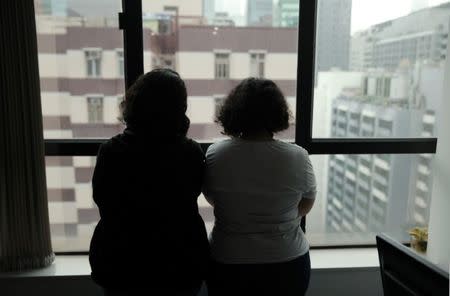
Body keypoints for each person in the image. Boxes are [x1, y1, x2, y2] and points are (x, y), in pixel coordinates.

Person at [89, 69, 210, 296]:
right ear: (179, 108)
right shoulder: (190, 152)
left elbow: (103, 200)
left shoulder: (111, 151)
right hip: (180, 260)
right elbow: (193, 191)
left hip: (122, 262)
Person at [203, 78, 317, 296]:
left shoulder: (216, 154)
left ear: (233, 112)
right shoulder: (297, 156)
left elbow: (213, 197)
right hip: (287, 262)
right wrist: (279, 215)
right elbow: (307, 203)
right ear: (278, 113)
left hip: (229, 262)